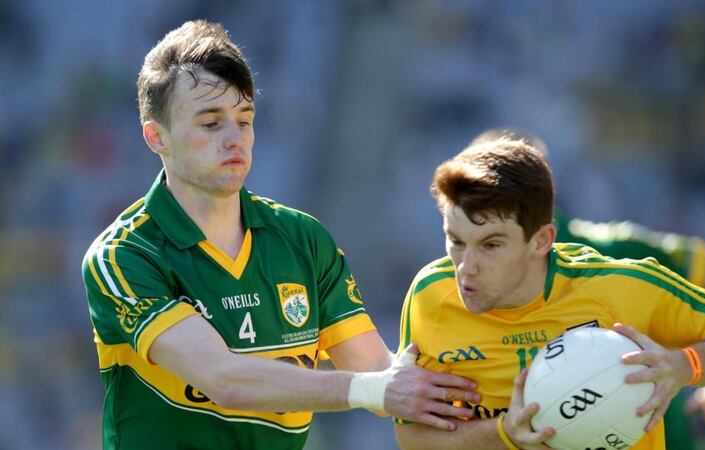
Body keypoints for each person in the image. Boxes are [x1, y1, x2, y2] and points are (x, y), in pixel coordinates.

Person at [81, 20, 480, 450]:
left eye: (245, 119)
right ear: (156, 137)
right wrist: (378, 388)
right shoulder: (123, 256)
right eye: (211, 123)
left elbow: (379, 371)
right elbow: (224, 380)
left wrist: (485, 395)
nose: (236, 139)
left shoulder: (303, 240)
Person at [393, 137, 705, 449]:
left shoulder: (621, 285)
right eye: (456, 241)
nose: (466, 265)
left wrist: (685, 366)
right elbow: (411, 436)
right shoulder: (430, 298)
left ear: (542, 240)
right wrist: (503, 433)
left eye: (491, 245)